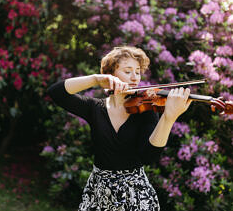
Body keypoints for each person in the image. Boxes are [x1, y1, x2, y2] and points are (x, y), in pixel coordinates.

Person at [48, 46, 192, 211]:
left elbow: (148, 156)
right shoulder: (94, 108)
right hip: (98, 192)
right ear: (111, 74)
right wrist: (95, 79)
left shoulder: (146, 110)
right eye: (128, 71)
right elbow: (56, 92)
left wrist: (169, 118)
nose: (134, 78)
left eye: (137, 72)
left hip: (135, 195)